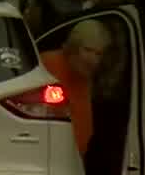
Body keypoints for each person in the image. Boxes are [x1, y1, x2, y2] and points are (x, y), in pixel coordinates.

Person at [40, 19, 111, 156]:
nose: (93, 60)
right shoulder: (47, 65)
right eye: (88, 50)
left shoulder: (84, 75)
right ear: (73, 46)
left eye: (99, 54)